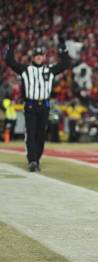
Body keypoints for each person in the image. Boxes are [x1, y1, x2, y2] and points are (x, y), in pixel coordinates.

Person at [5, 32, 70, 171]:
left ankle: (37, 159)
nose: (39, 57)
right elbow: (9, 61)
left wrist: (63, 47)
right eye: (36, 55)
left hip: (45, 105)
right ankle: (32, 160)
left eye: (41, 55)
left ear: (44, 57)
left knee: (41, 135)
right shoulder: (26, 70)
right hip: (30, 105)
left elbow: (66, 63)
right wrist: (10, 46)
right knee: (31, 134)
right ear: (33, 57)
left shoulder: (50, 70)